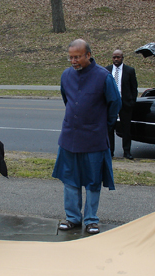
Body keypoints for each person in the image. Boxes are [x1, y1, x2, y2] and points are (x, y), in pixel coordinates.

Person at [52, 39, 121, 235]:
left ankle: (91, 220)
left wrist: (102, 125)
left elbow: (115, 103)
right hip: (70, 137)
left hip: (94, 139)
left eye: (77, 57)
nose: (73, 61)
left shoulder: (104, 77)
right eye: (71, 57)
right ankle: (72, 218)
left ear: (88, 55)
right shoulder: (66, 75)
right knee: (70, 179)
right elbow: (67, 99)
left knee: (93, 181)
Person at [105, 49, 138, 160]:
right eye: (114, 57)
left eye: (118, 57)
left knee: (126, 129)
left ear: (122, 58)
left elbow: (134, 88)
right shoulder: (107, 70)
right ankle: (110, 152)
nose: (116, 59)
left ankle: (127, 152)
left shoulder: (129, 70)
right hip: (111, 104)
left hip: (125, 104)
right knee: (110, 129)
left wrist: (132, 101)